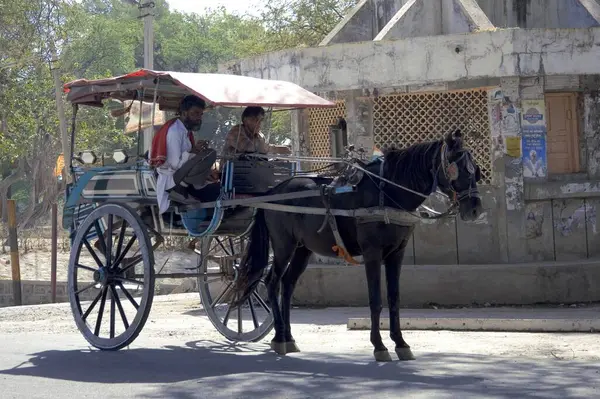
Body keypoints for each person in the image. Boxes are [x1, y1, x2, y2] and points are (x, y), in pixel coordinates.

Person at [149, 95, 218, 215]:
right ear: (185, 113)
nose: (199, 118)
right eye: (195, 113)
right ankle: (197, 185)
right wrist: (194, 152)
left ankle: (202, 182)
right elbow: (175, 164)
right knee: (211, 154)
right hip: (173, 177)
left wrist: (195, 151)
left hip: (183, 173)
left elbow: (186, 156)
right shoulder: (175, 131)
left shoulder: (185, 130)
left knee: (209, 155)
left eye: (200, 114)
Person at [222, 106, 292, 157]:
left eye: (261, 120)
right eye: (256, 120)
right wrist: (277, 149)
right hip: (230, 173)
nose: (259, 123)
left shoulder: (260, 135)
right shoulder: (236, 131)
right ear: (246, 120)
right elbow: (249, 147)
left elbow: (263, 152)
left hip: (253, 172)